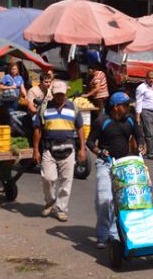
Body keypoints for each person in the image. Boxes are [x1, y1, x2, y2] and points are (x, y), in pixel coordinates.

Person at [86, 91, 145, 249]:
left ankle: (121, 233)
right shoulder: (101, 121)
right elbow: (90, 142)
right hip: (105, 164)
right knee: (105, 199)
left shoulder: (130, 120)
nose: (128, 107)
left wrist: (141, 145)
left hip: (125, 165)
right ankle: (104, 234)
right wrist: (99, 152)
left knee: (128, 200)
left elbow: (139, 136)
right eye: (125, 105)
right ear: (116, 107)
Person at [33, 80, 85, 222]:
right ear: (53, 94)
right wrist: (36, 150)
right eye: (57, 95)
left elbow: (80, 128)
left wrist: (82, 148)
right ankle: (50, 201)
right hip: (49, 148)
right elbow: (37, 129)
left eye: (62, 94)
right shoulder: (45, 107)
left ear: (65, 93)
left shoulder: (73, 107)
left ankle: (62, 209)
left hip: (68, 148)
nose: (59, 97)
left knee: (66, 181)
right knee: (48, 178)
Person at [135, 71, 153, 159]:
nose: (151, 80)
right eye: (149, 78)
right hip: (146, 112)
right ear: (146, 78)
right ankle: (150, 153)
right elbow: (138, 102)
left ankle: (145, 148)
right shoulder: (141, 88)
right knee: (149, 133)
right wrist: (138, 116)